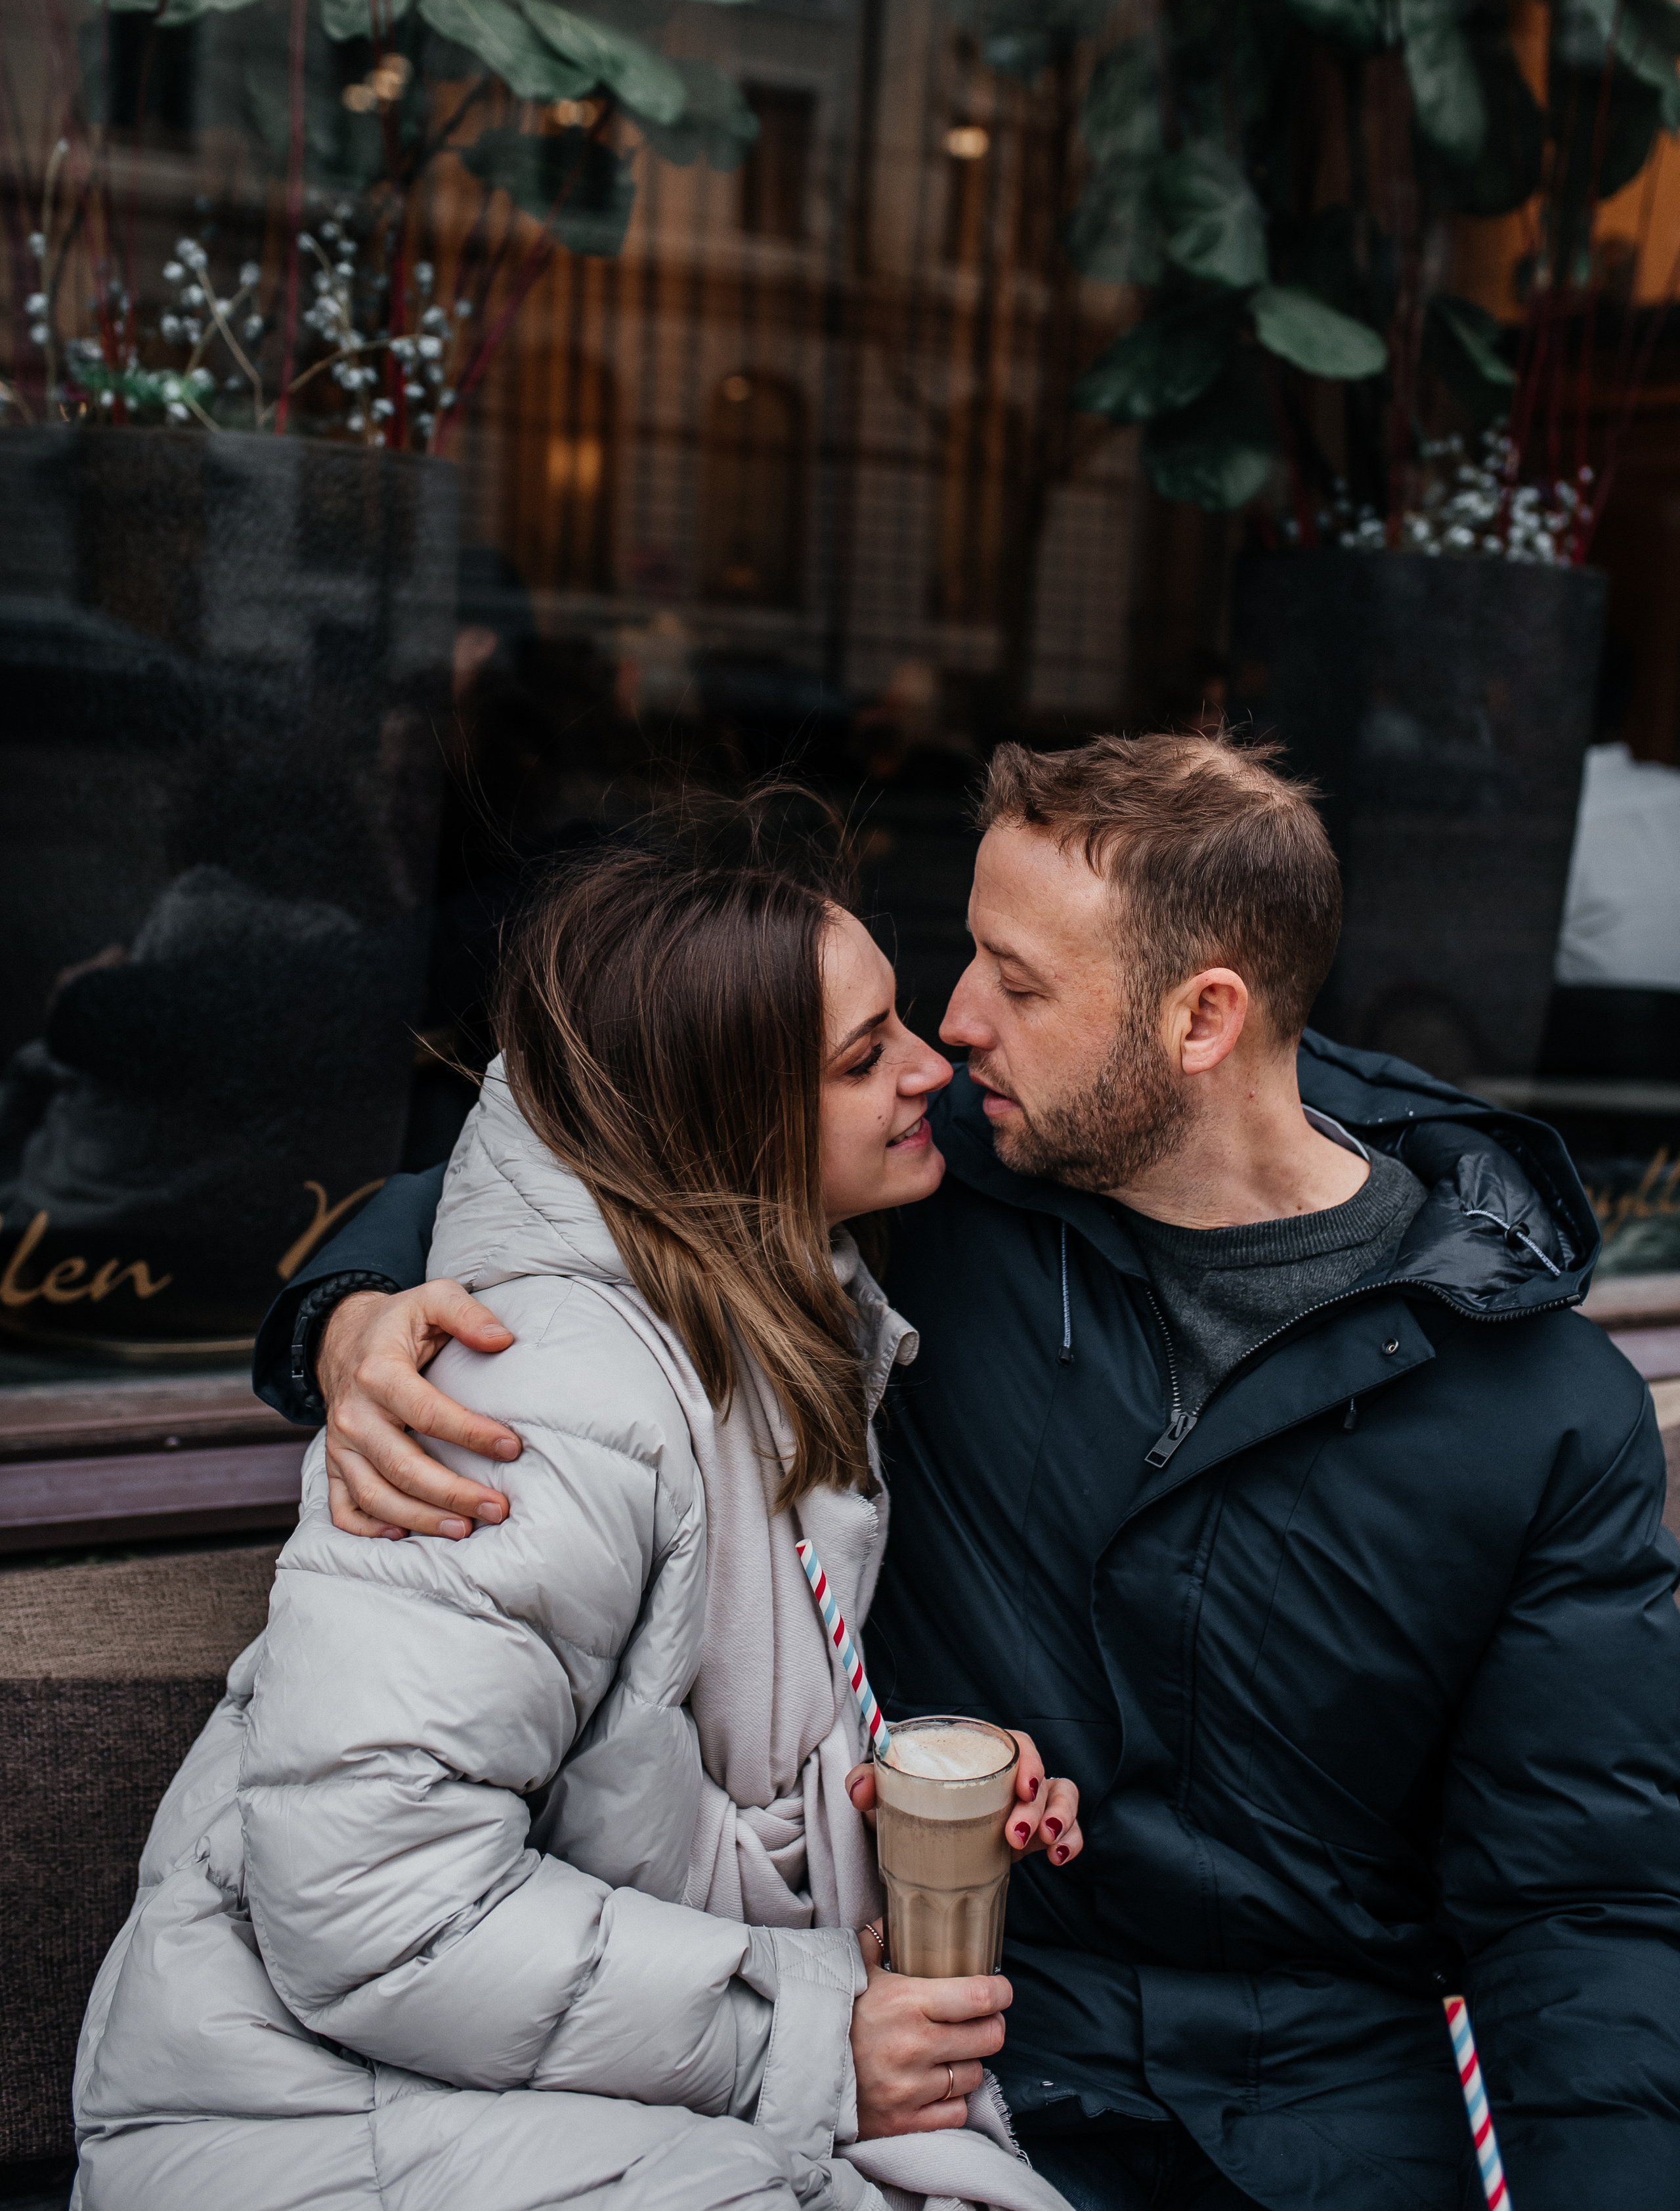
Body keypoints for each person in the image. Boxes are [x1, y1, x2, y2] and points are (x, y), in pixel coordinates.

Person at [272, 730, 1680, 2211]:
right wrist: (353, 1313)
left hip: (1330, 2108)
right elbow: (594, 1144)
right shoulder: (932, 1172)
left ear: (1199, 1021)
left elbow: (1582, 1900)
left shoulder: (1536, 1406)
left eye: (1016, 983)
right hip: (958, 2061)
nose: (951, 1028)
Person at [72, 825, 1087, 2211]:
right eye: (862, 1057)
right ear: (718, 1122)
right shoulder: (533, 1407)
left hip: (487, 2075)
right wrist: (801, 2037)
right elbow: (372, 1909)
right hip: (294, 2110)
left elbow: (645, 1766)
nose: (932, 1065)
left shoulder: (757, 1308)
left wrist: (883, 1788)